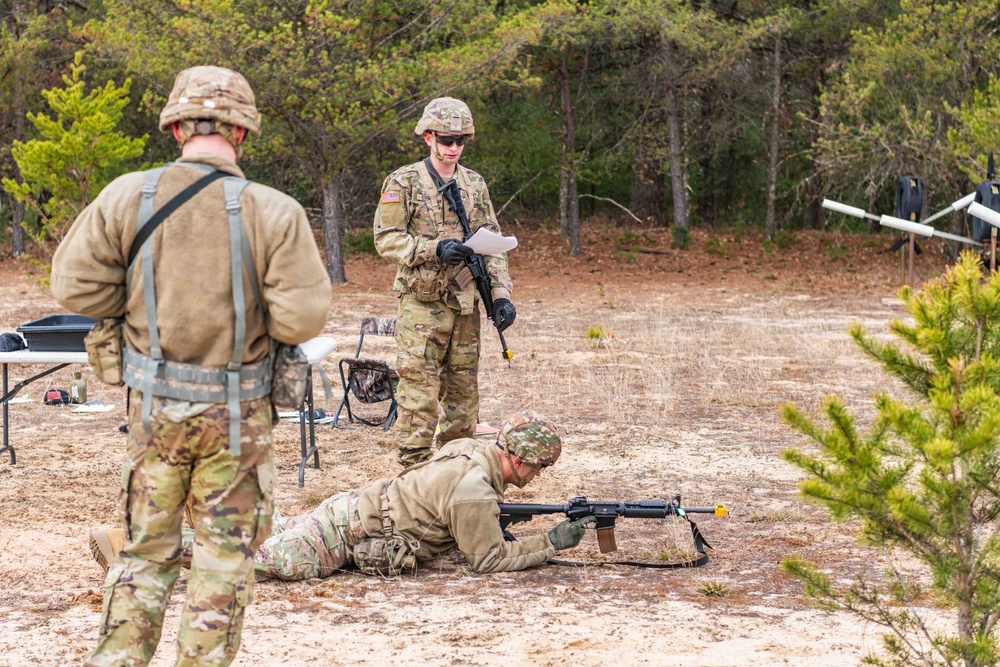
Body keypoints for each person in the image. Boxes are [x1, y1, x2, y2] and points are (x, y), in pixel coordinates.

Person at [52, 66, 331, 667]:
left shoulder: (128, 196)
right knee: (222, 561)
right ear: (244, 134)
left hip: (152, 411)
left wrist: (135, 307)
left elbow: (72, 285)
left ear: (176, 127)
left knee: (145, 552)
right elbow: (302, 320)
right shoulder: (273, 211)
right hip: (238, 419)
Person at [91, 411, 595, 580]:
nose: (541, 475)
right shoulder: (475, 493)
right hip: (348, 529)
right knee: (262, 558)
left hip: (350, 507)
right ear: (523, 460)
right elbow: (486, 560)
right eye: (542, 465)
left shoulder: (471, 451)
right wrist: (551, 543)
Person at [373, 97, 516, 466]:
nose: (454, 148)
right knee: (419, 397)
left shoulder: (474, 184)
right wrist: (434, 249)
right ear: (428, 137)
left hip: (466, 307)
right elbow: (386, 238)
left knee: (463, 399)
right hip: (423, 308)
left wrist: (500, 296)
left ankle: (455, 475)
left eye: (461, 141)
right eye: (447, 139)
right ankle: (414, 481)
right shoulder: (403, 182)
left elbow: (494, 243)